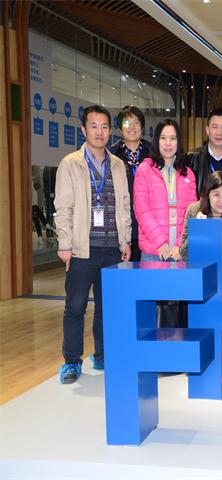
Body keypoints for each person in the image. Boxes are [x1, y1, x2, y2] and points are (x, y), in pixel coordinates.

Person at [54, 105, 132, 384]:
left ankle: (103, 355)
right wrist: (64, 244)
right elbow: (63, 207)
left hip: (111, 248)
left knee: (106, 307)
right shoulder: (70, 163)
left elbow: (124, 205)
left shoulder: (118, 165)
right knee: (75, 306)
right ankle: (71, 361)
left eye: (104, 126)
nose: (99, 132)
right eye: (94, 126)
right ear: (84, 129)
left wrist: (125, 240)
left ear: (110, 131)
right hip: (81, 248)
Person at [134, 119, 196, 263]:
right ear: (157, 141)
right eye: (163, 138)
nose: (168, 143)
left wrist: (180, 245)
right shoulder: (144, 170)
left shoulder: (188, 174)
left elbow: (191, 214)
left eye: (173, 138)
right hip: (153, 253)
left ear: (178, 142)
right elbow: (142, 211)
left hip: (179, 254)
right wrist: (160, 243)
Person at [180, 171, 222, 293]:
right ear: (208, 194)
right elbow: (184, 253)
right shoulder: (194, 211)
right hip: (200, 279)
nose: (221, 200)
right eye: (216, 194)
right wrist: (199, 228)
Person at [110, 105, 152, 261]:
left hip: (149, 222)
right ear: (121, 127)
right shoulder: (112, 155)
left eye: (136, 123)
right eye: (127, 123)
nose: (132, 127)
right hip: (123, 223)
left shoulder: (153, 152)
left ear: (142, 127)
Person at [188, 108, 222, 199]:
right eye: (215, 127)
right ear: (207, 130)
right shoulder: (192, 159)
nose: (219, 132)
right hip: (200, 208)